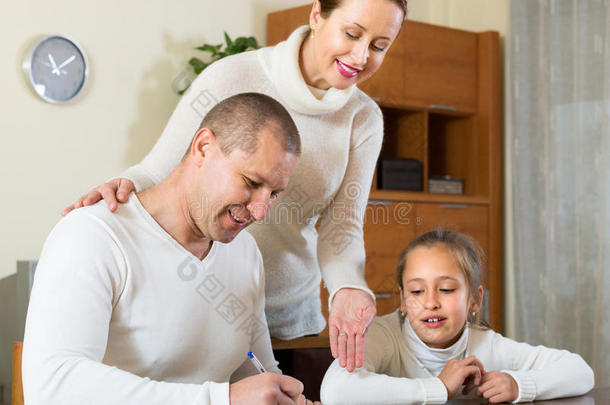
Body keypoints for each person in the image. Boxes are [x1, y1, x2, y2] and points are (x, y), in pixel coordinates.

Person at [60, 0, 407, 372]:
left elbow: (342, 225)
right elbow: (163, 168)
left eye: (379, 46)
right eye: (352, 33)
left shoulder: (363, 117)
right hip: (209, 306)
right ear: (317, 15)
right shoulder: (232, 77)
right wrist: (118, 191)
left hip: (293, 319)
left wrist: (348, 286)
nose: (360, 55)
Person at [23, 93, 321, 405]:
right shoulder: (93, 235)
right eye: (251, 182)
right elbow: (51, 387)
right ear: (203, 147)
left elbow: (253, 370)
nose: (261, 211)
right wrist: (220, 399)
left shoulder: (244, 252)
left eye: (274, 193)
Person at [320, 230, 595, 404]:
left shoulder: (488, 346)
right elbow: (335, 391)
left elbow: (580, 371)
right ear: (403, 300)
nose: (430, 302)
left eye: (446, 289)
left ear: (475, 299)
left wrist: (517, 384)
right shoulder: (384, 335)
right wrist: (438, 388)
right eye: (417, 291)